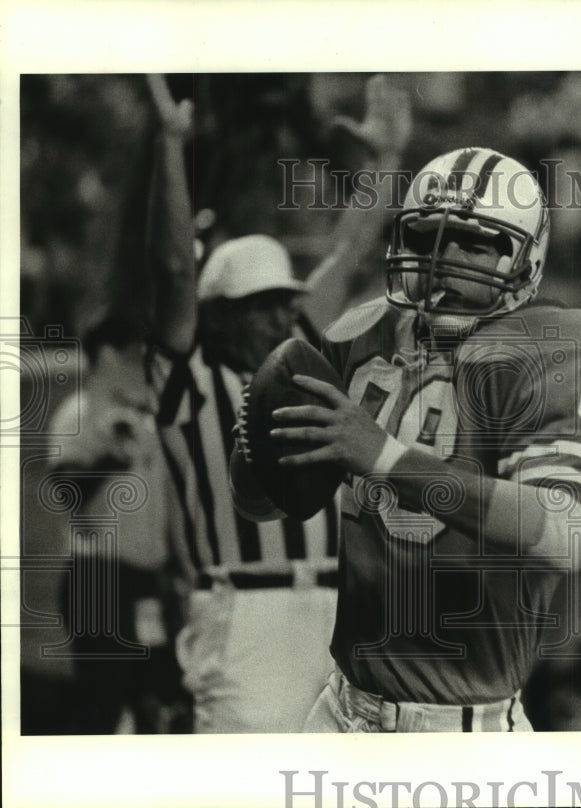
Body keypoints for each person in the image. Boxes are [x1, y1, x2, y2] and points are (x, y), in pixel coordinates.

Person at [231, 147, 581, 732]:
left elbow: (565, 533)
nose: (444, 261)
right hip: (341, 707)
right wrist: (256, 444)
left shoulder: (554, 350)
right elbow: (260, 504)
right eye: (427, 238)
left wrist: (382, 455)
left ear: (525, 259)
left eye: (475, 244)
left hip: (458, 726)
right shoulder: (362, 331)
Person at [146, 73, 412, 732]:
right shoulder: (186, 375)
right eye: (256, 306)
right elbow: (176, 268)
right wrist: (171, 147)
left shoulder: (295, 347)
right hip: (244, 610)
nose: (275, 319)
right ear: (218, 315)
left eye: (279, 303)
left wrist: (386, 158)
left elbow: (351, 249)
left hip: (334, 604)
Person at [42, 313, 188, 734]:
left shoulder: (148, 417)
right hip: (98, 577)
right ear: (108, 355)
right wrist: (109, 456)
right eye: (134, 353)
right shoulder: (81, 411)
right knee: (101, 703)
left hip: (148, 582)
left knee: (156, 703)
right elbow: (65, 493)